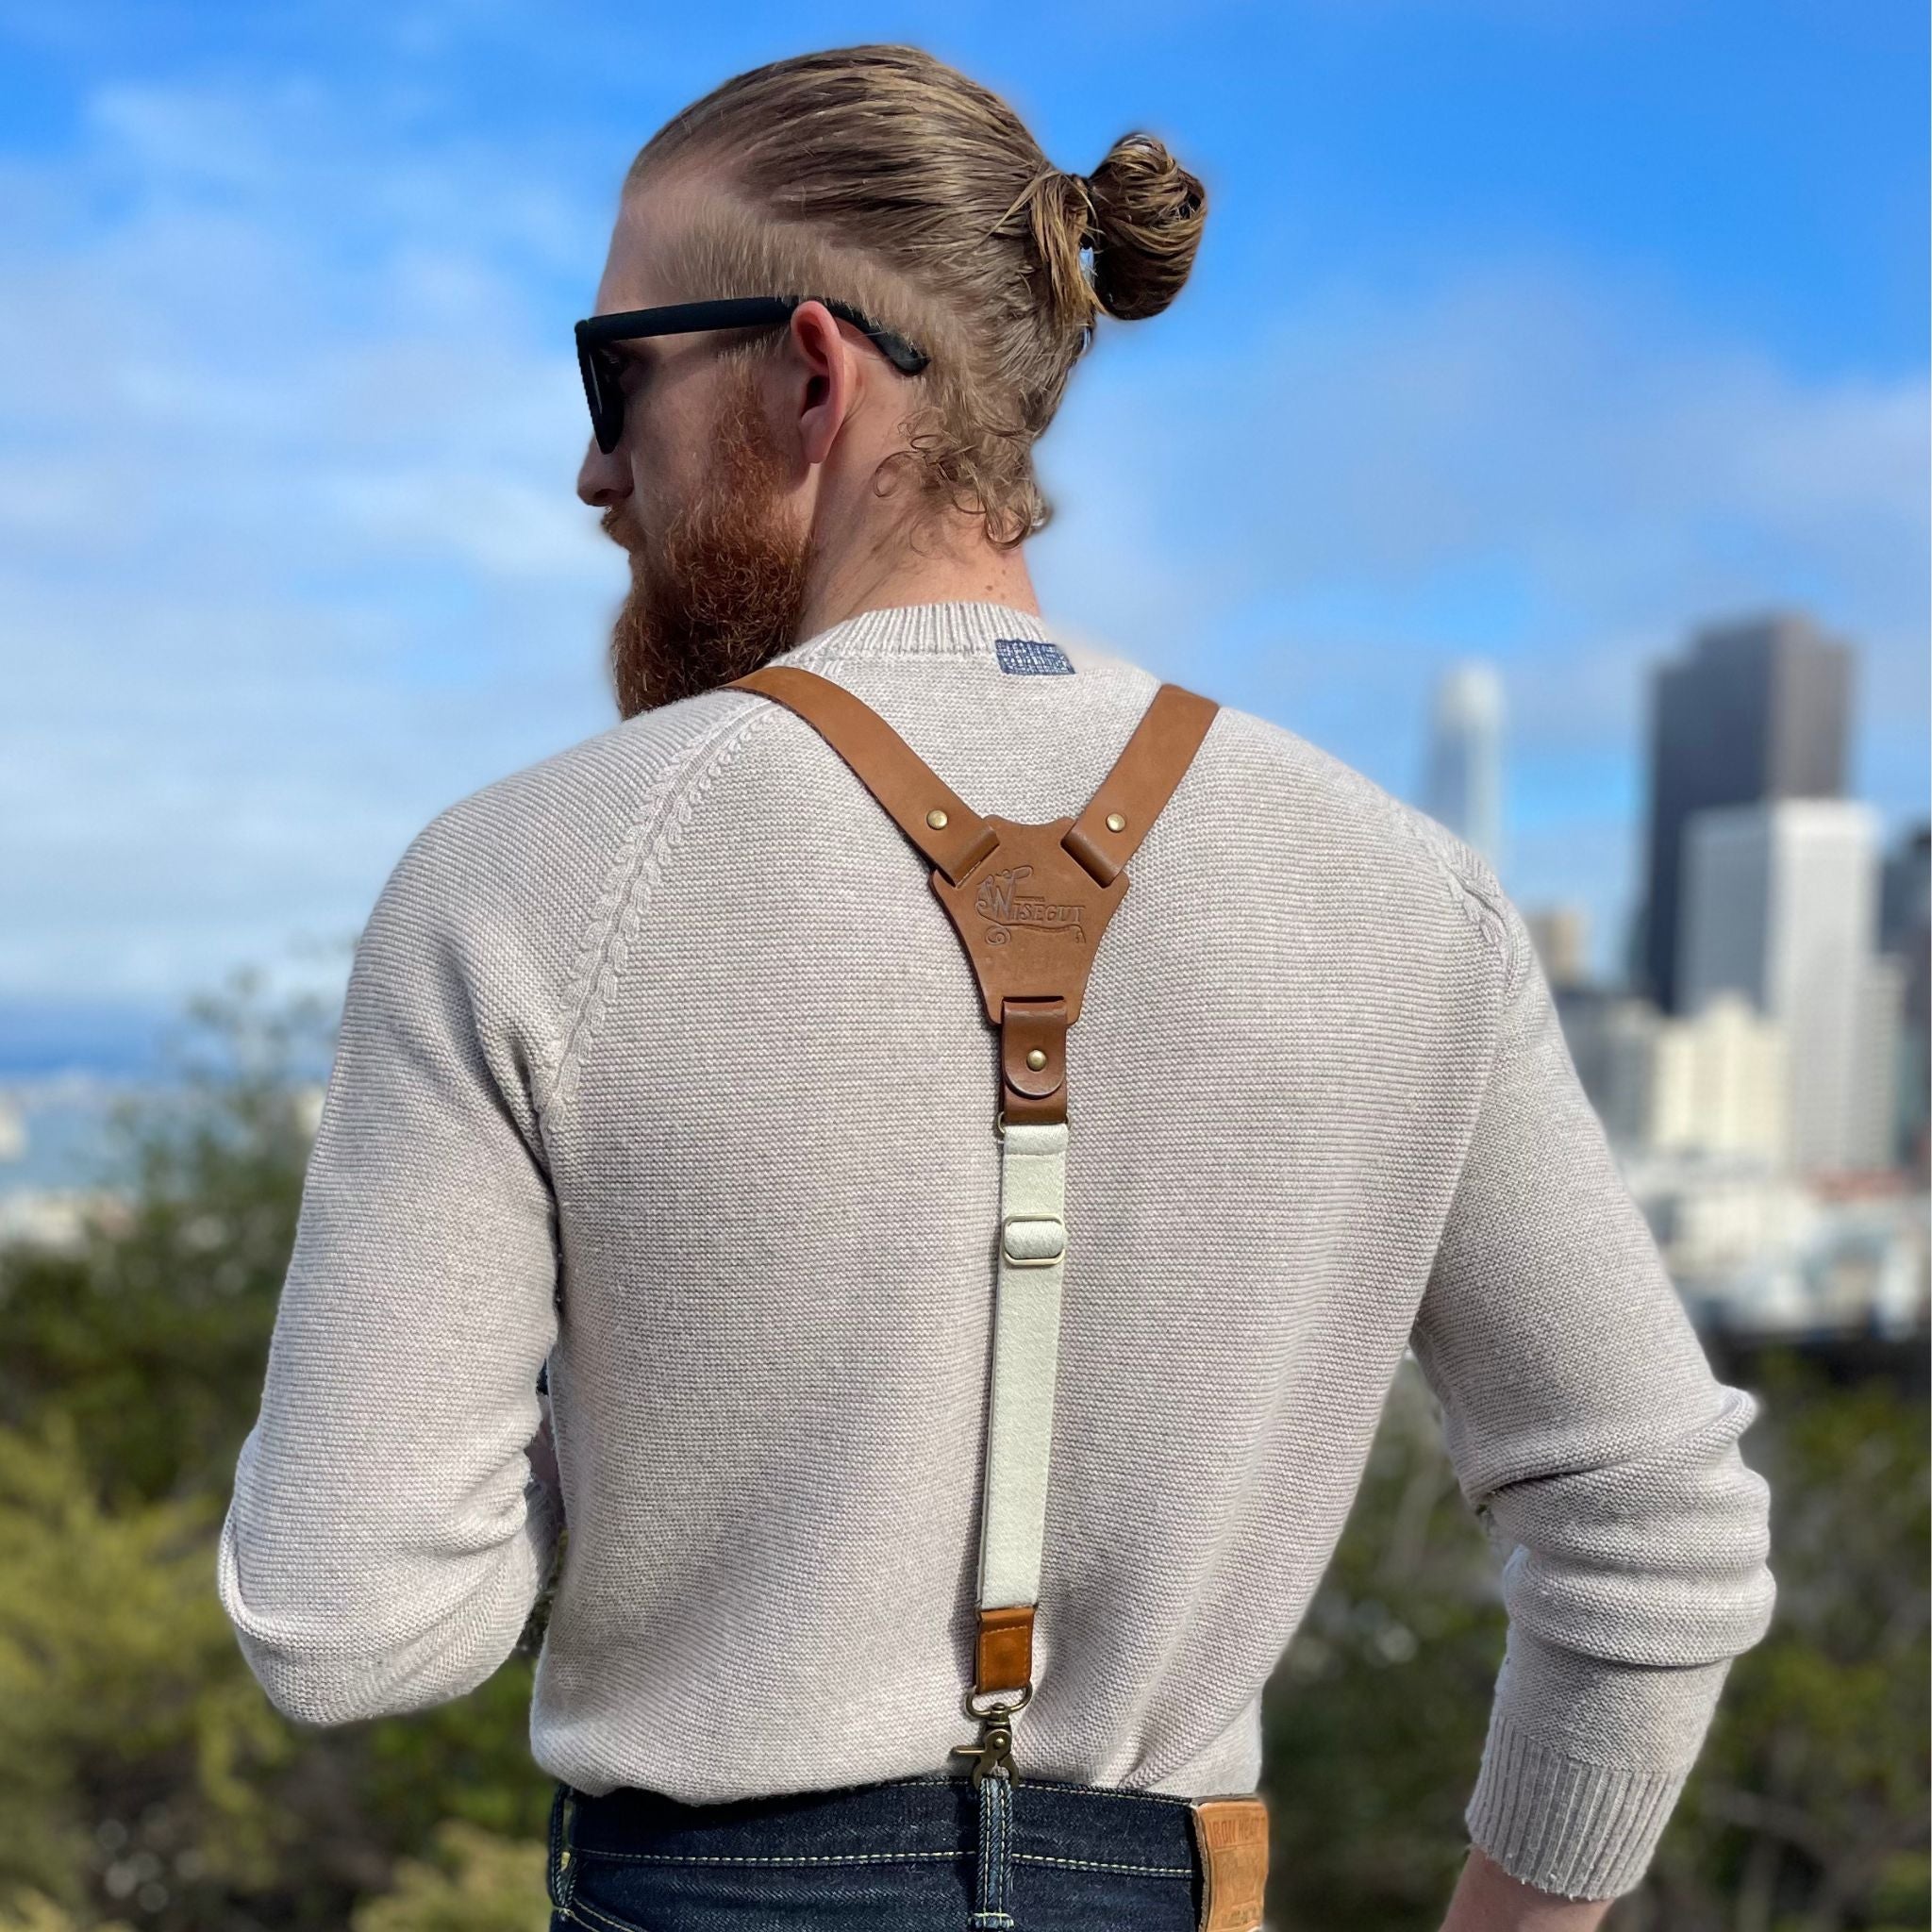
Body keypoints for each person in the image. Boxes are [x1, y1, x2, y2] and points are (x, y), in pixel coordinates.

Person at [214, 42, 1776, 1932]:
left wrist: (619, 1366)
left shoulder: (530, 876)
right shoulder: (1399, 891)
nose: (592, 468)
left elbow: (348, 1628)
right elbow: (1656, 1539)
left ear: (810, 371)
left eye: (615, 374)